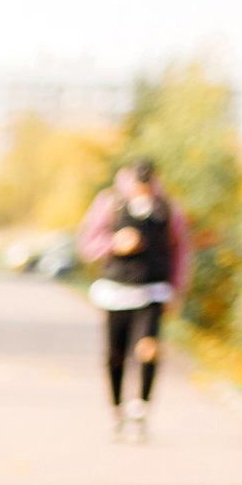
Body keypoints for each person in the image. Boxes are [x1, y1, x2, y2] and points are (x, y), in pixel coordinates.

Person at [75, 157, 182, 437]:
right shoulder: (110, 203)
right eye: (138, 181)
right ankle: (117, 408)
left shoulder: (167, 208)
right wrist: (115, 244)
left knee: (149, 348)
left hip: (153, 289)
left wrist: (178, 287)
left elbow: (181, 250)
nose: (142, 187)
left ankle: (141, 408)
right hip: (117, 289)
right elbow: (87, 243)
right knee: (115, 353)